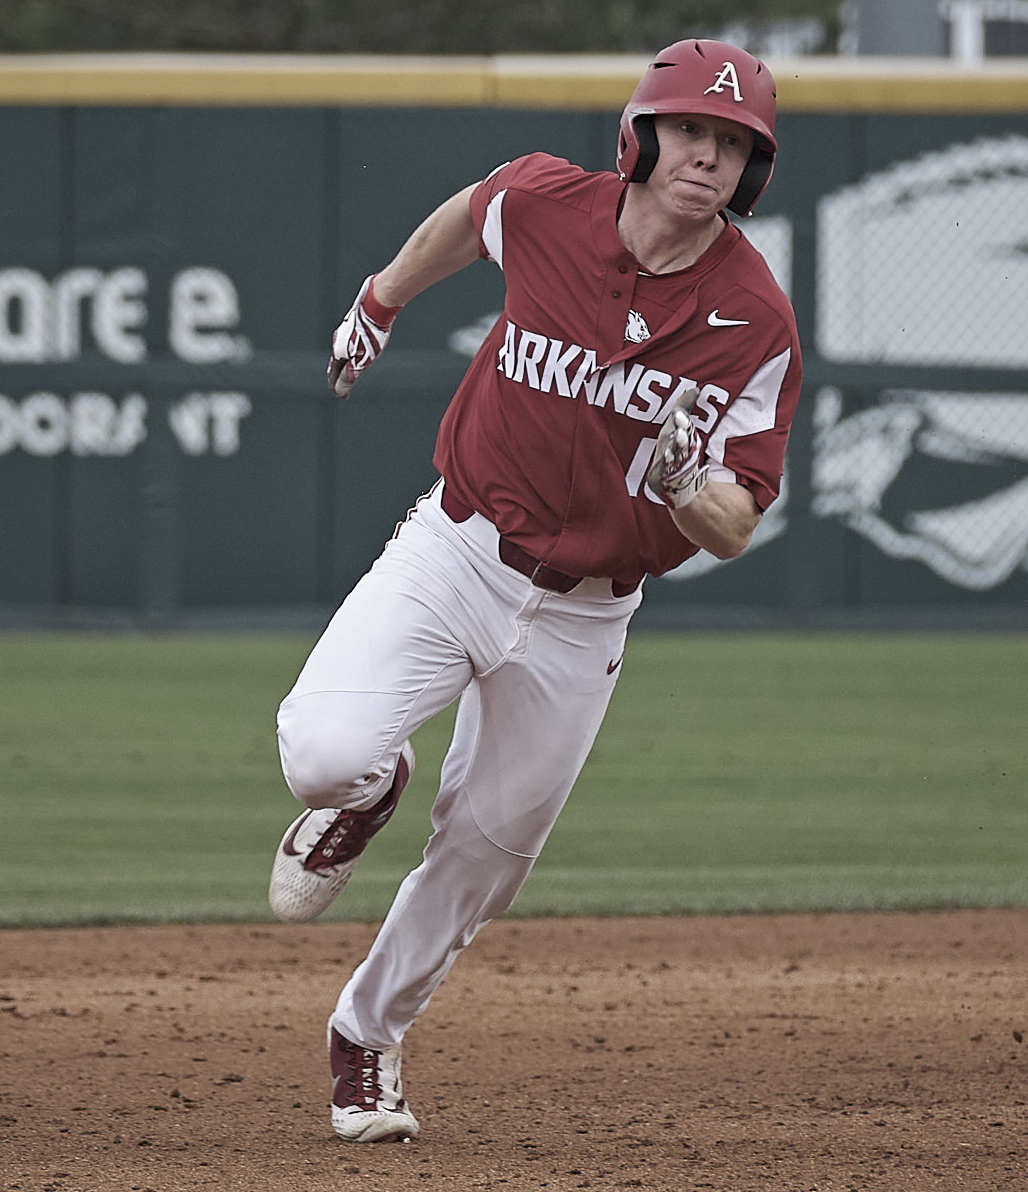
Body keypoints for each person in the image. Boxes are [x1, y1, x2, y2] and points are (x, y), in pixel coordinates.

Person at [268, 37, 801, 1144]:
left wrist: (689, 486)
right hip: (456, 548)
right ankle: (369, 792)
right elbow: (469, 216)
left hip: (586, 610)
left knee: (487, 859)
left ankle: (365, 1037)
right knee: (319, 755)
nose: (705, 155)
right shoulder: (548, 201)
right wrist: (378, 296)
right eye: (689, 130)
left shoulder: (754, 317)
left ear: (751, 170)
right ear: (642, 135)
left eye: (732, 142)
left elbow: (738, 521)